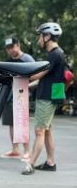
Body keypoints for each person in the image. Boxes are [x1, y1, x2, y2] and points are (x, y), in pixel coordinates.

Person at [22, 22, 66, 175]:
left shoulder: (55, 54)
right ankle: (50, 162)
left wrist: (18, 76)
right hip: (49, 95)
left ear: (47, 36)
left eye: (40, 36)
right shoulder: (56, 54)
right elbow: (44, 78)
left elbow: (37, 75)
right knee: (46, 130)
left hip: (47, 97)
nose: (38, 40)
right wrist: (28, 85)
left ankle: (31, 164)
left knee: (39, 130)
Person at [0, 37, 34, 160]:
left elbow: (36, 75)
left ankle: (27, 151)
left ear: (18, 45)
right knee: (11, 123)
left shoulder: (27, 59)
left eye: (12, 47)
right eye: (8, 48)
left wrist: (26, 85)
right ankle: (15, 150)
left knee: (22, 122)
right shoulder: (8, 62)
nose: (10, 50)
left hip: (22, 94)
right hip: (9, 96)